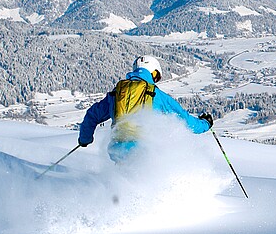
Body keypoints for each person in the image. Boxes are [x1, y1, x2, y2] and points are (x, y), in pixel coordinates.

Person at [77, 55, 213, 162]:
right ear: (154, 73)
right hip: (144, 151)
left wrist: (85, 139)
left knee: (123, 181)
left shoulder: (117, 94)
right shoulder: (157, 95)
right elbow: (186, 122)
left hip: (117, 149)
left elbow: (92, 115)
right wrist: (205, 124)